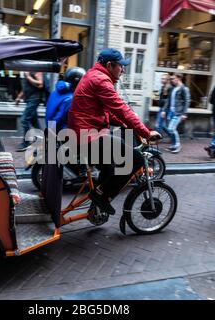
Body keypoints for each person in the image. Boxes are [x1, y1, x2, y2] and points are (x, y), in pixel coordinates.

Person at [68, 48, 161, 215]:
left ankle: (96, 207)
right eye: (121, 66)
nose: (123, 69)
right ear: (110, 65)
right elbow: (122, 109)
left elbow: (108, 113)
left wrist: (126, 126)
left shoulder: (93, 75)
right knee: (136, 159)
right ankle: (100, 197)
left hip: (84, 135)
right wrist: (146, 132)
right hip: (88, 137)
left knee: (111, 168)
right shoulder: (101, 80)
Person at [45, 67, 86, 132]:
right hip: (58, 129)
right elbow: (59, 117)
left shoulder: (57, 90)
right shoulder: (69, 99)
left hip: (50, 124)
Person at [15, 72, 45, 151]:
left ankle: (26, 142)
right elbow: (26, 87)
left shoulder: (36, 71)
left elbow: (40, 83)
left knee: (24, 120)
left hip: (34, 99)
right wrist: (19, 97)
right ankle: (43, 139)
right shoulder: (27, 71)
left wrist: (28, 77)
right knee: (34, 122)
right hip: (29, 99)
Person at [162, 73, 190, 153]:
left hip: (178, 112)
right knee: (169, 129)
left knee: (172, 129)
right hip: (171, 112)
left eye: (173, 79)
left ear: (178, 79)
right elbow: (168, 100)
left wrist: (184, 114)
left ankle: (178, 145)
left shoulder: (184, 89)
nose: (172, 80)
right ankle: (174, 145)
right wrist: (164, 110)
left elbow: (187, 101)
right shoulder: (173, 88)